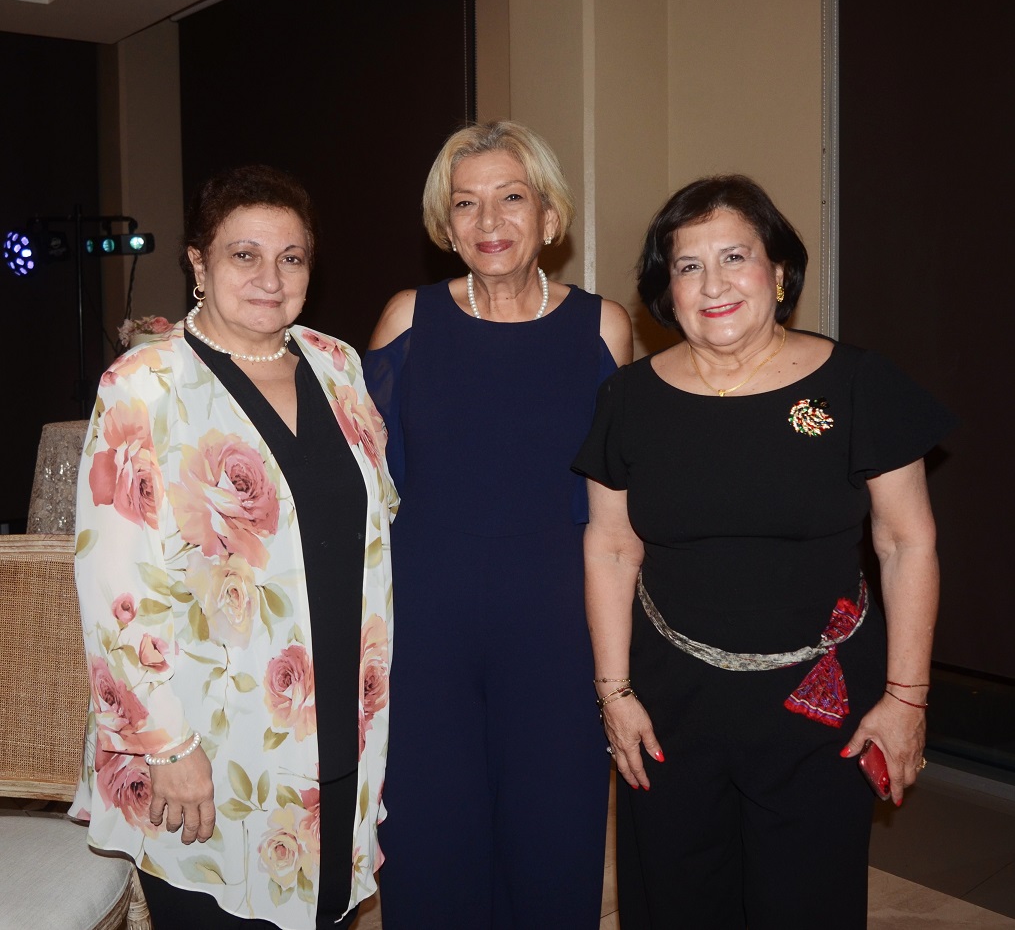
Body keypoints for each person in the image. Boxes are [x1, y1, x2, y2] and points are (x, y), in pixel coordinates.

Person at [573, 174, 957, 929]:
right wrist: (613, 695)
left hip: (822, 702)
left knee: (804, 899)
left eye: (734, 257)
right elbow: (611, 547)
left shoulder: (856, 384)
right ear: (666, 288)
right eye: (687, 265)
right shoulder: (629, 399)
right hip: (669, 705)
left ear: (778, 271)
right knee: (675, 898)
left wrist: (906, 699)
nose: (712, 283)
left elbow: (907, 541)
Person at [71, 164, 397, 930]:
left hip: (336, 718)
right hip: (207, 743)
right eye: (243, 254)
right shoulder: (144, 384)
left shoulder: (337, 365)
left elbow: (372, 526)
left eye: (291, 257)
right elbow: (114, 582)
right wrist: (164, 743)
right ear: (198, 263)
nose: (270, 277)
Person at [364, 121, 632, 929]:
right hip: (425, 632)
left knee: (555, 840)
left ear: (549, 217)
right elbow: (358, 483)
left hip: (558, 628)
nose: (488, 222)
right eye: (466, 205)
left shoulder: (603, 327)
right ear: (445, 227)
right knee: (428, 843)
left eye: (511, 198)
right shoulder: (407, 319)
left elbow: (624, 500)